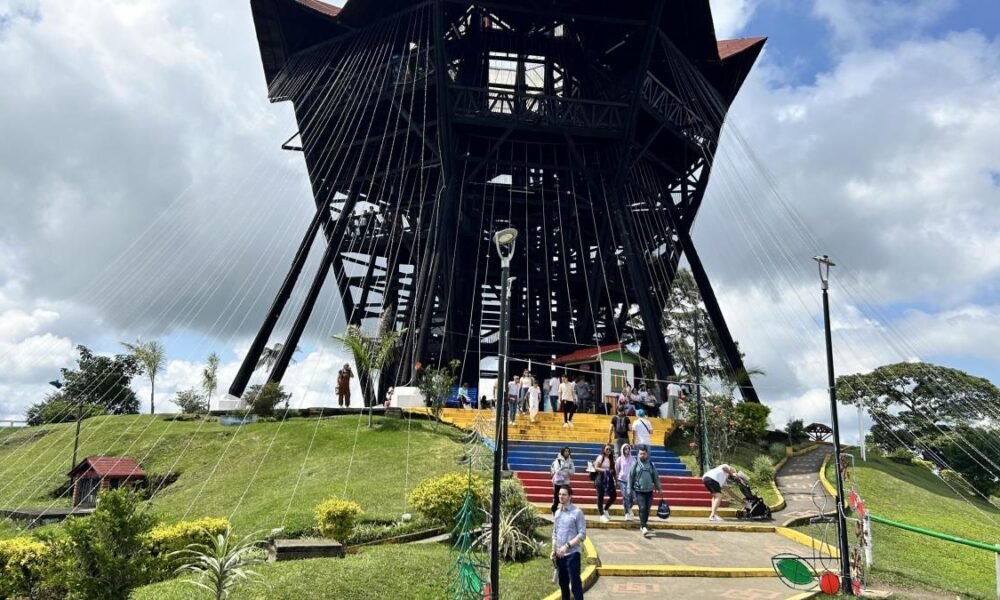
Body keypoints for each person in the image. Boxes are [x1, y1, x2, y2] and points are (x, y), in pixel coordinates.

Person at [551, 485, 586, 600]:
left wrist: (567, 546)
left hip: (572, 555)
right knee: (563, 585)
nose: (561, 496)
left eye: (564, 494)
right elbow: (554, 533)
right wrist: (553, 550)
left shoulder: (577, 512)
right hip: (560, 556)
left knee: (575, 586)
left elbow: (582, 534)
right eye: (560, 494)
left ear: (570, 496)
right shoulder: (557, 513)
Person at [627, 446, 662, 536]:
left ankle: (644, 524)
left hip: (649, 491)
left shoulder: (651, 464)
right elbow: (630, 476)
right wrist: (628, 488)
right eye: (640, 454)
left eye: (644, 454)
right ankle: (643, 527)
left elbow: (656, 477)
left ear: (647, 454)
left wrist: (659, 488)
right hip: (639, 491)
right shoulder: (635, 464)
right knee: (642, 508)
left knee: (647, 509)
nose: (642, 455)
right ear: (638, 454)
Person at [593, 444, 617, 523]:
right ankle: (601, 514)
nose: (608, 451)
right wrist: (605, 470)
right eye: (607, 449)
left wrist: (615, 480)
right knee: (600, 496)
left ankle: (606, 509)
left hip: (609, 478)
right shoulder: (600, 457)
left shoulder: (611, 459)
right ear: (603, 450)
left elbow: (613, 470)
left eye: (610, 449)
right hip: (600, 477)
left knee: (613, 496)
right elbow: (596, 467)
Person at [615, 443, 637, 521]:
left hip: (631, 481)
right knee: (625, 496)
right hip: (622, 480)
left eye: (628, 448)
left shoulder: (633, 459)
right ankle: (627, 513)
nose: (627, 450)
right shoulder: (619, 459)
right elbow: (617, 469)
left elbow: (635, 470)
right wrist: (616, 479)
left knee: (634, 498)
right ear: (623, 450)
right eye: (625, 448)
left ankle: (629, 508)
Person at [550, 447, 575, 514]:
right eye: (565, 451)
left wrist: (566, 471)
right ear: (562, 452)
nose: (567, 453)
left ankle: (565, 511)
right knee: (557, 498)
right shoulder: (558, 460)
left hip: (566, 482)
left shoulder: (570, 461)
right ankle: (554, 509)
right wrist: (566, 472)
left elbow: (573, 471)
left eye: (568, 451)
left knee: (566, 496)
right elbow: (557, 471)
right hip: (558, 482)